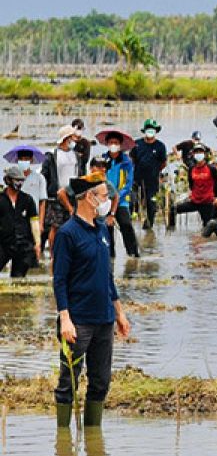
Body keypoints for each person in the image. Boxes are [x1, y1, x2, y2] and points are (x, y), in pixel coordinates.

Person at [52, 172, 132, 428]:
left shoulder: (102, 230)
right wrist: (65, 318)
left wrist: (119, 312)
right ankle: (63, 442)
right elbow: (59, 280)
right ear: (89, 197)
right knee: (69, 382)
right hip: (78, 321)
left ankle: (93, 441)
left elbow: (107, 277)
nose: (108, 201)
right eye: (104, 196)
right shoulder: (68, 233)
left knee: (100, 382)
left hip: (104, 319)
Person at [41, 125, 86, 256]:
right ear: (66, 138)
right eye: (72, 137)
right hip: (56, 196)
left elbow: (81, 174)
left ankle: (70, 253)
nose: (75, 140)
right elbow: (45, 175)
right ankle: (53, 254)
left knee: (73, 225)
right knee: (55, 226)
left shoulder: (76, 156)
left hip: (73, 195)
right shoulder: (52, 155)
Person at [103, 134, 139, 259]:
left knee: (126, 225)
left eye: (116, 142)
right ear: (107, 143)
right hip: (105, 200)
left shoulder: (126, 162)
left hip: (122, 200)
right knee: (107, 229)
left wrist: (117, 197)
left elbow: (128, 184)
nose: (113, 144)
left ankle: (133, 253)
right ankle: (109, 256)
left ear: (120, 145)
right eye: (111, 142)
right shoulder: (103, 160)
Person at [0, 165, 39, 277]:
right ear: (8, 180)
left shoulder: (27, 200)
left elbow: (34, 222)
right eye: (17, 180)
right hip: (3, 243)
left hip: (23, 245)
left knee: (18, 278)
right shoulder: (1, 199)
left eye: (22, 180)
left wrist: (37, 243)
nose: (20, 183)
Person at [131, 119, 167, 230]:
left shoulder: (160, 146)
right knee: (133, 201)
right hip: (137, 178)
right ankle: (134, 219)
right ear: (144, 130)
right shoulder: (137, 144)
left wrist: (155, 171)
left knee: (151, 204)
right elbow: (132, 160)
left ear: (155, 131)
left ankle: (149, 224)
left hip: (152, 180)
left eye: (152, 129)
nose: (150, 131)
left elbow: (163, 163)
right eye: (148, 129)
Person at [174, 143, 217, 226]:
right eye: (196, 152)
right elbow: (191, 184)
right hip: (195, 201)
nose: (198, 154)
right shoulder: (192, 169)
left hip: (207, 202)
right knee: (173, 209)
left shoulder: (211, 169)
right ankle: (171, 233)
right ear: (193, 154)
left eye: (200, 152)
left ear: (204, 154)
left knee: (207, 226)